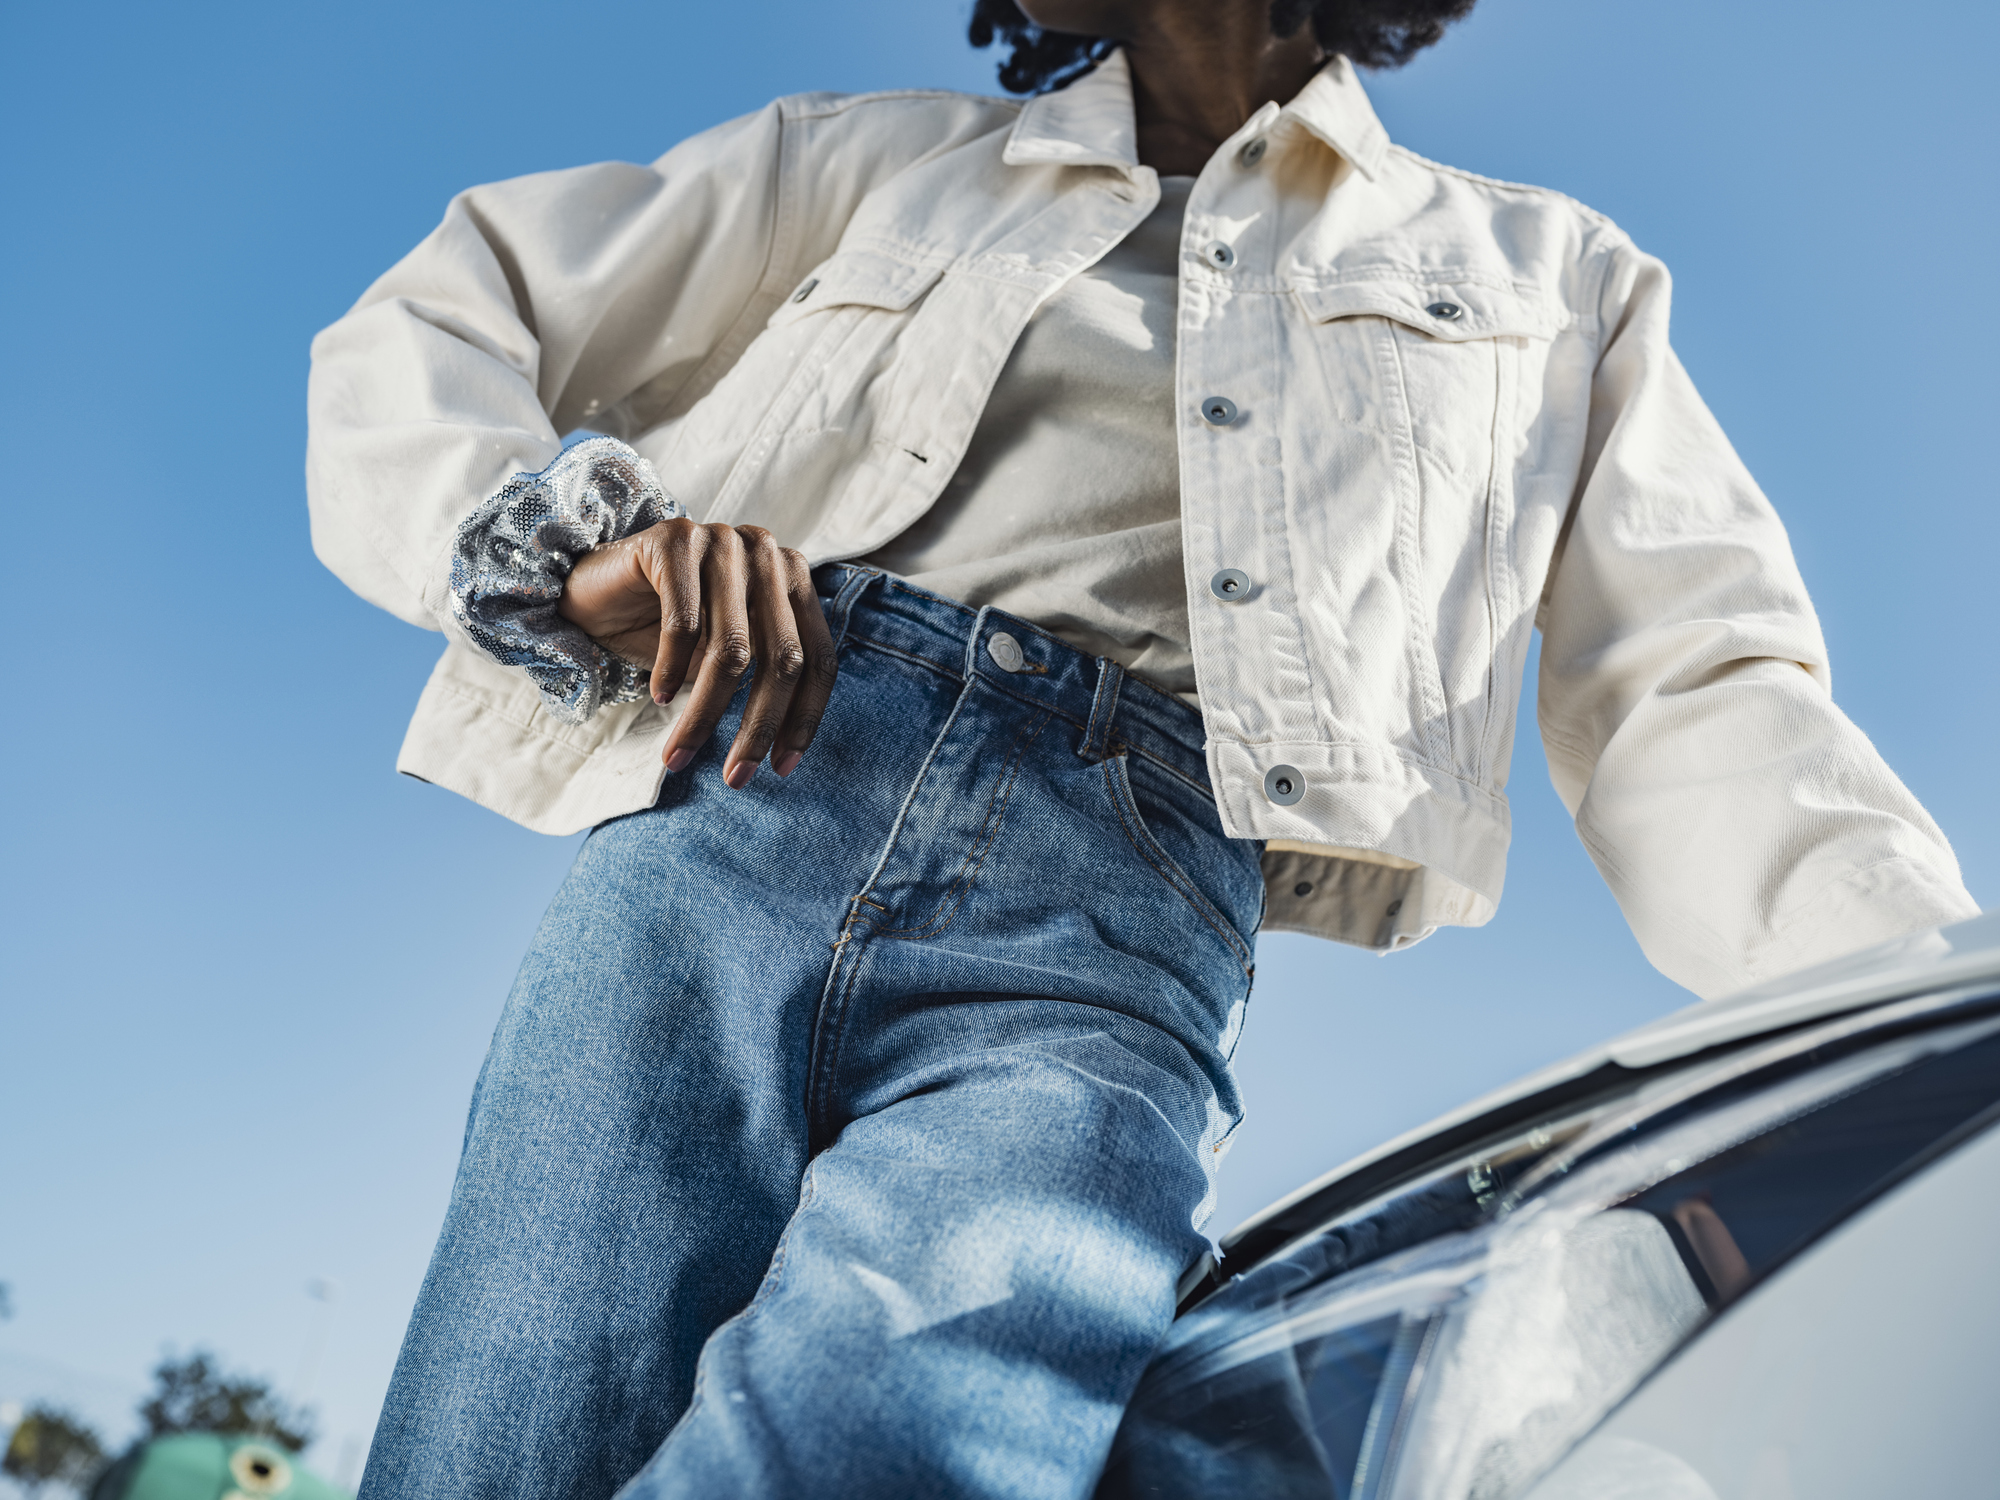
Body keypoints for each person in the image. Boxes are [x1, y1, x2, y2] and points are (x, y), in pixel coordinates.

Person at [305, 0, 1980, 1495]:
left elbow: (1698, 685)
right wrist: (556, 540)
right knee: (499, 1452)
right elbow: (447, 314)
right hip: (736, 815)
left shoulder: (1554, 281)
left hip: (1112, 929)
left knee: (904, 1444)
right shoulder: (876, 164)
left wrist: (1931, 1016)